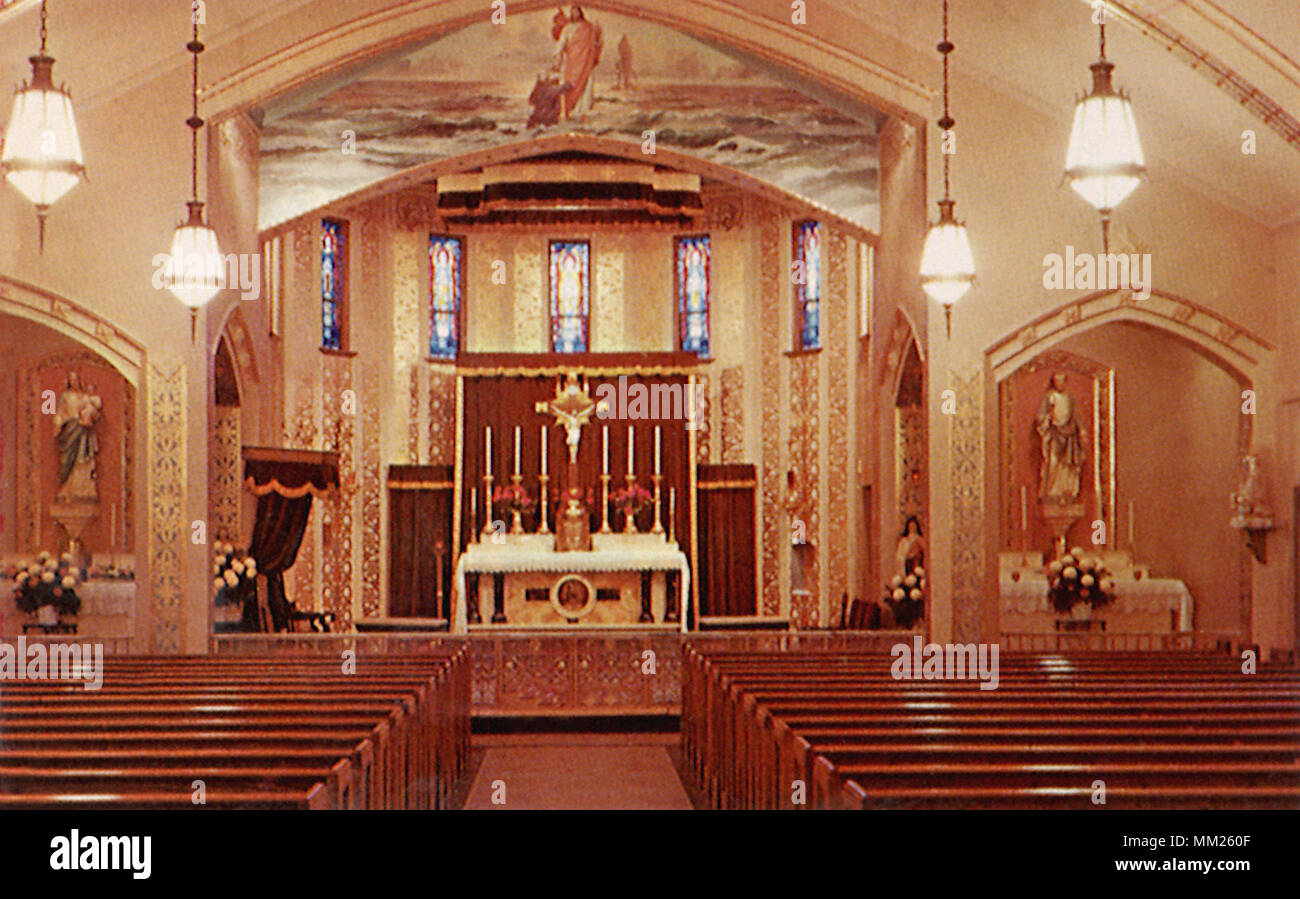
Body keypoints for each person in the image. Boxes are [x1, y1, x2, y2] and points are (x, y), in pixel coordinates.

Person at [1034, 371, 1085, 504]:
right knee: (1053, 462)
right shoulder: (1049, 397)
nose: (1059, 383)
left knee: (1068, 464)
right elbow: (1040, 416)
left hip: (1069, 434)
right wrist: (1048, 416)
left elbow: (1076, 414)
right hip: (1054, 433)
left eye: (1062, 380)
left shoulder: (1069, 397)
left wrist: (1082, 430)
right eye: (1057, 381)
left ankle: (1067, 491)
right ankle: (1052, 492)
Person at [54, 372, 102, 502]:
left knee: (83, 458)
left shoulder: (84, 396)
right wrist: (57, 426)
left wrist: (91, 416)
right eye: (71, 380)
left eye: (76, 379)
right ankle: (68, 489)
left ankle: (84, 490)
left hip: (83, 430)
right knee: (68, 459)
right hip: (70, 429)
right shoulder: (65, 396)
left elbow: (94, 410)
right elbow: (60, 412)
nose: (74, 382)